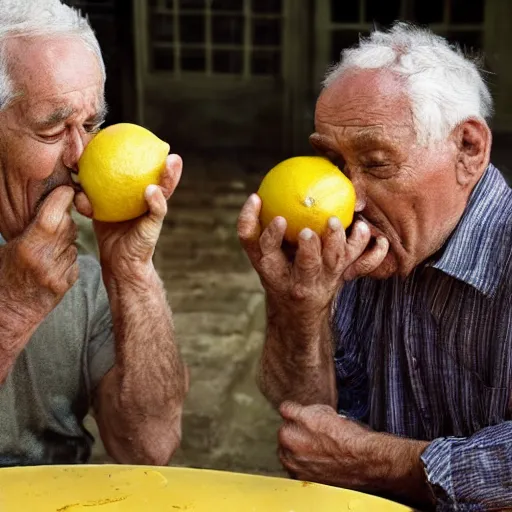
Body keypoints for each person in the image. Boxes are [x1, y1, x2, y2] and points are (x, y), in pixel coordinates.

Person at [238, 23, 512, 511]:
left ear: (468, 149)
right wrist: (301, 307)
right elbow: (314, 432)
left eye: (377, 162)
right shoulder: (351, 248)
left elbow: (350, 456)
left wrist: (385, 463)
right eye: (333, 162)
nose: (350, 198)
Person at [0, 0, 187, 466]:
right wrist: (11, 311)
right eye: (53, 130)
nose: (81, 156)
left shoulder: (82, 277)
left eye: (89, 125)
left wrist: (131, 274)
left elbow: (150, 447)